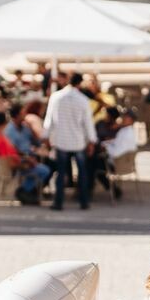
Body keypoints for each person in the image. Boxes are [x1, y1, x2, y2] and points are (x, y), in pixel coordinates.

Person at [44, 71, 97, 211]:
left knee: (61, 173)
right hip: (78, 141)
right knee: (82, 172)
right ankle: (84, 201)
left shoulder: (56, 97)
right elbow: (88, 123)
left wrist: (46, 137)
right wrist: (91, 141)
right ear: (79, 83)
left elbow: (49, 120)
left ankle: (58, 202)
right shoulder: (83, 100)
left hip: (61, 140)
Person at [1, 107, 53, 204]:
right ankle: (25, 189)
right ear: (16, 116)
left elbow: (36, 142)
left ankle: (34, 189)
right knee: (45, 170)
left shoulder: (25, 127)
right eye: (22, 114)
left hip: (30, 156)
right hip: (19, 159)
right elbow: (12, 150)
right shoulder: (9, 131)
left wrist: (32, 130)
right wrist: (27, 158)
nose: (25, 116)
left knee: (52, 163)